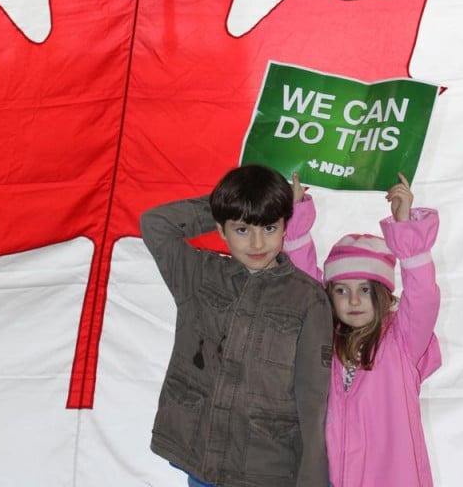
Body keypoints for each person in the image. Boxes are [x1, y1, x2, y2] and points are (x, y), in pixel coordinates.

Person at [140, 163, 333, 487]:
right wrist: (231, 204)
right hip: (203, 457)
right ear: (221, 229)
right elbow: (155, 224)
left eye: (269, 227)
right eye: (242, 229)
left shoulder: (309, 299)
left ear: (286, 225)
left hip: (267, 467)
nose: (257, 243)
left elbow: (313, 400)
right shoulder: (199, 276)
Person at [284, 172, 441, 487]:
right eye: (341, 290)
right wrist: (295, 214)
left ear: (383, 293)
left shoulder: (403, 341)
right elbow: (304, 284)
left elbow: (423, 296)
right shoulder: (326, 340)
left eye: (365, 290)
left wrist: (406, 227)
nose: (353, 300)